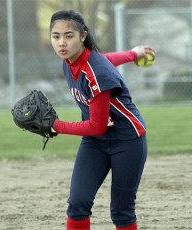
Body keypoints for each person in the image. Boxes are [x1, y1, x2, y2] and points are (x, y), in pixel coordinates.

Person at [49, 9, 155, 230]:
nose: (62, 43)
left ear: (83, 36)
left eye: (69, 36)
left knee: (121, 211)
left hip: (127, 140)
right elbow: (105, 58)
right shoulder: (71, 61)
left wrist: (55, 126)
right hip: (95, 143)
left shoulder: (97, 73)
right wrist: (132, 54)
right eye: (56, 36)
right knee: (77, 203)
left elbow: (96, 126)